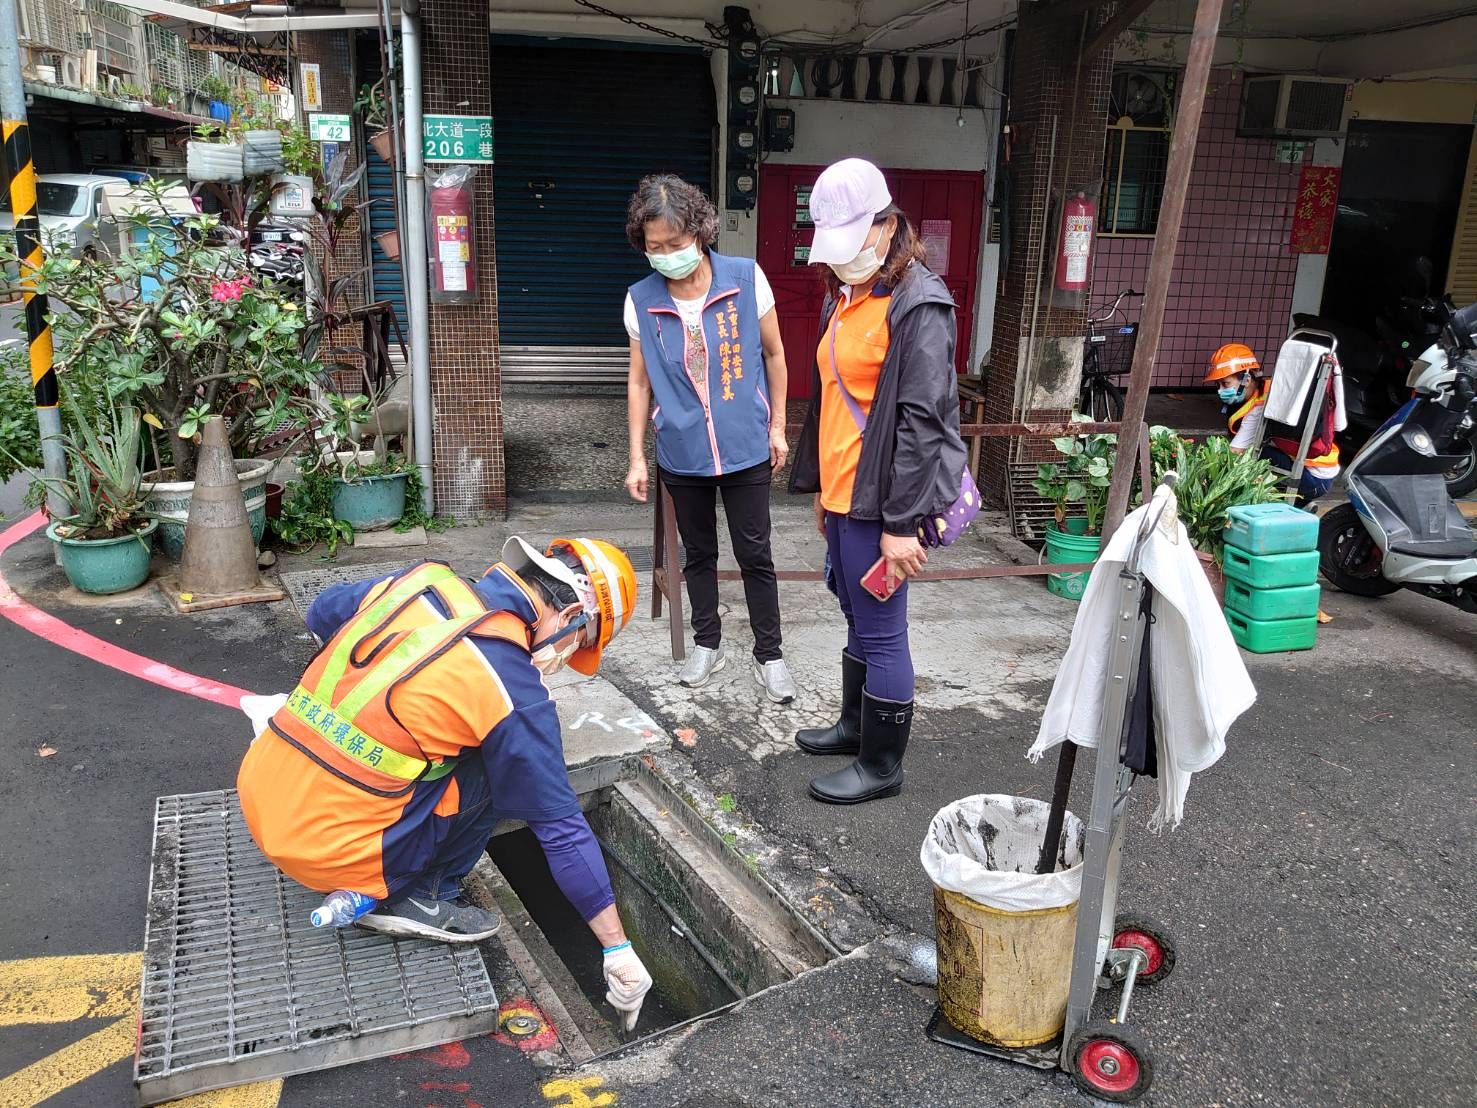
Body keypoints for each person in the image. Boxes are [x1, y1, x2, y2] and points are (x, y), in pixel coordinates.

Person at [237, 538, 654, 1030]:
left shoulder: (421, 583)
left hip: (265, 794)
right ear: (568, 618)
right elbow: (559, 827)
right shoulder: (508, 684)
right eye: (577, 646)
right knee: (504, 767)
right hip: (335, 854)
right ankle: (414, 897)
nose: (564, 658)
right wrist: (617, 949)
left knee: (466, 740)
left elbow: (322, 613)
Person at [788, 158, 968, 805]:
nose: (838, 261)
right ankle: (853, 728)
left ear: (888, 224)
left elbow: (923, 422)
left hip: (882, 504)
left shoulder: (919, 304)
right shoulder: (846, 295)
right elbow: (833, 399)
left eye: (852, 242)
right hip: (843, 496)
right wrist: (819, 490)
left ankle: (882, 766)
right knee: (855, 614)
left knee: (884, 628)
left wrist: (898, 527)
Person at [622, 174, 797, 704]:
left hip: (746, 446)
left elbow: (774, 354)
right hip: (683, 451)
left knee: (755, 553)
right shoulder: (640, 300)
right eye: (655, 247)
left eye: (675, 245)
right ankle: (707, 642)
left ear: (700, 232)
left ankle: (770, 654)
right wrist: (636, 457)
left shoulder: (746, 279)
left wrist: (778, 426)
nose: (667, 255)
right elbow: (637, 381)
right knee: (696, 553)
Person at [1205, 341, 1340, 506]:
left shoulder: (1260, 408)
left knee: (1253, 456)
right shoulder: (1268, 389)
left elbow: (1233, 453)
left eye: (1225, 384)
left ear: (1247, 379)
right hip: (1317, 471)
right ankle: (1299, 504)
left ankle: (1292, 502)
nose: (1220, 390)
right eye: (1217, 384)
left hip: (1314, 478)